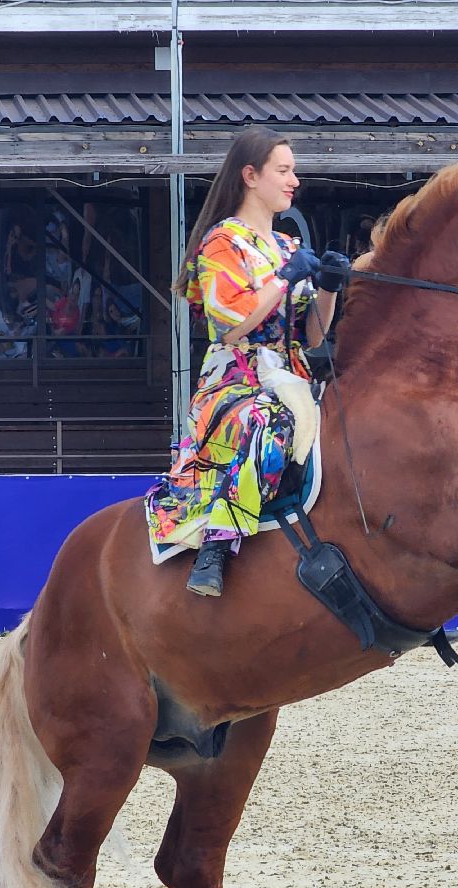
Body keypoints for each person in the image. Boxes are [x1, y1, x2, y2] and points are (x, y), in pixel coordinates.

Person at [145, 126, 351, 598]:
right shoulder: (222, 244)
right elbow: (233, 324)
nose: (294, 180)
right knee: (267, 424)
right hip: (238, 382)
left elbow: (313, 334)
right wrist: (283, 280)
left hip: (292, 372)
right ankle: (216, 543)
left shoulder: (289, 247)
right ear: (251, 176)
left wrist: (329, 289)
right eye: (284, 170)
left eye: (293, 171)